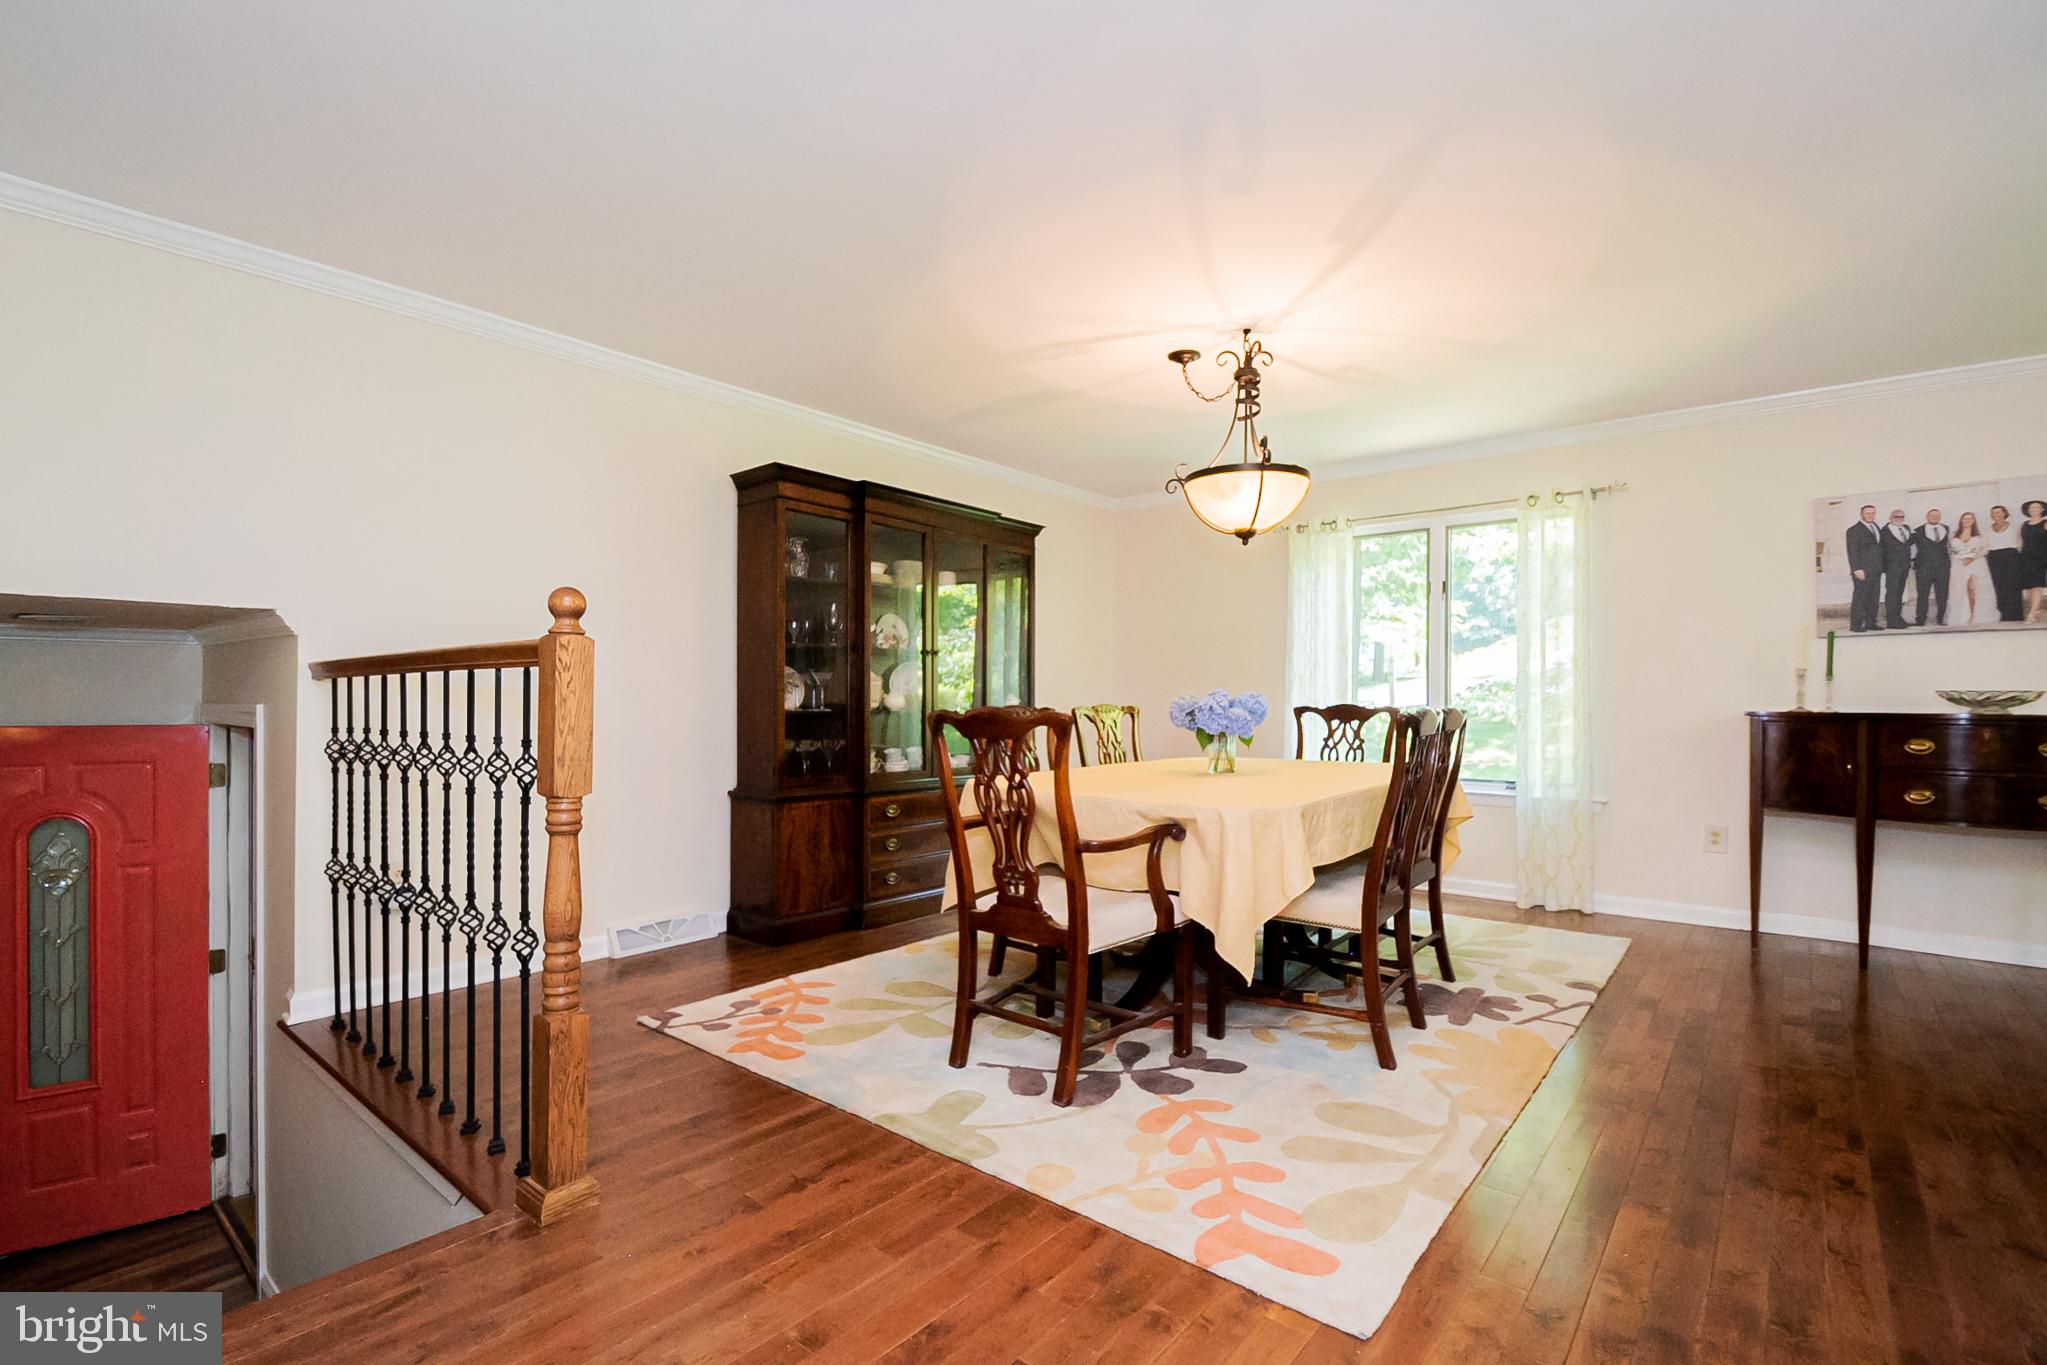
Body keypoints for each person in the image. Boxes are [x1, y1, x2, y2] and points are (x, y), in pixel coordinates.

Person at [1947, 512, 1995, 626]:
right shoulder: (1954, 534)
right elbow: (1950, 549)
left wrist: (1972, 558)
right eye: (1965, 519)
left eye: (1970, 519)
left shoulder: (1980, 533)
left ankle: (1974, 616)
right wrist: (1959, 557)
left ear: (1974, 520)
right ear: (1961, 521)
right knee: (1960, 590)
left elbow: (1985, 548)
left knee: (1973, 589)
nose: (1967, 521)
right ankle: (1962, 616)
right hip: (1959, 564)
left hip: (1976, 563)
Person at [1844, 504, 1883, 632]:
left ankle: (1871, 623)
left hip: (1876, 569)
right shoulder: (1854, 530)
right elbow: (1852, 551)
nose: (1871, 515)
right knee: (1860, 598)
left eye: (1873, 513)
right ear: (1861, 514)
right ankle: (1856, 625)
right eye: (1868, 513)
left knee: (1874, 598)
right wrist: (1856, 569)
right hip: (1862, 570)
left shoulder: (1876, 527)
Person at [1984, 504, 2025, 622]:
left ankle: (2016, 616)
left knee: (2013, 586)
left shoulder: (2015, 526)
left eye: (1998, 512)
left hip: (2011, 556)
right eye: (1994, 513)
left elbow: (2020, 542)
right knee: (1998, 586)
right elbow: (1986, 545)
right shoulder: (1987, 529)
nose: (1996, 515)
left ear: (2004, 513)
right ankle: (2004, 615)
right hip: (1994, 557)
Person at [1911, 508, 1950, 626]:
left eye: (1937, 515)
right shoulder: (1918, 530)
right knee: (1922, 594)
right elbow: (1906, 545)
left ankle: (1941, 618)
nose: (1934, 517)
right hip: (1924, 567)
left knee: (1942, 594)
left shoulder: (1946, 529)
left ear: (1940, 517)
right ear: (1927, 517)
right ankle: (1921, 619)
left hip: (1942, 567)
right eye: (1932, 515)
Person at [1879, 507, 1914, 629]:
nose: (1899, 519)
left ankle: (1898, 618)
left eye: (1902, 517)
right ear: (1890, 518)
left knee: (1899, 593)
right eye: (1896, 517)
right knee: (1892, 593)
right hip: (1892, 567)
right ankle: (1891, 621)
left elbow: (1908, 543)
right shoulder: (1883, 531)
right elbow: (1881, 550)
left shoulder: (1907, 529)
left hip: (1904, 566)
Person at [2022, 499, 2047, 624]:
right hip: (2025, 558)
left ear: (2042, 510)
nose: (2033, 509)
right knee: (2028, 589)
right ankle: (2037, 610)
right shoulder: (2025, 524)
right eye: (2031, 508)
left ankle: (2031, 614)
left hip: (2040, 558)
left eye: (2036, 507)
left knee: (2037, 586)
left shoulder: (2045, 523)